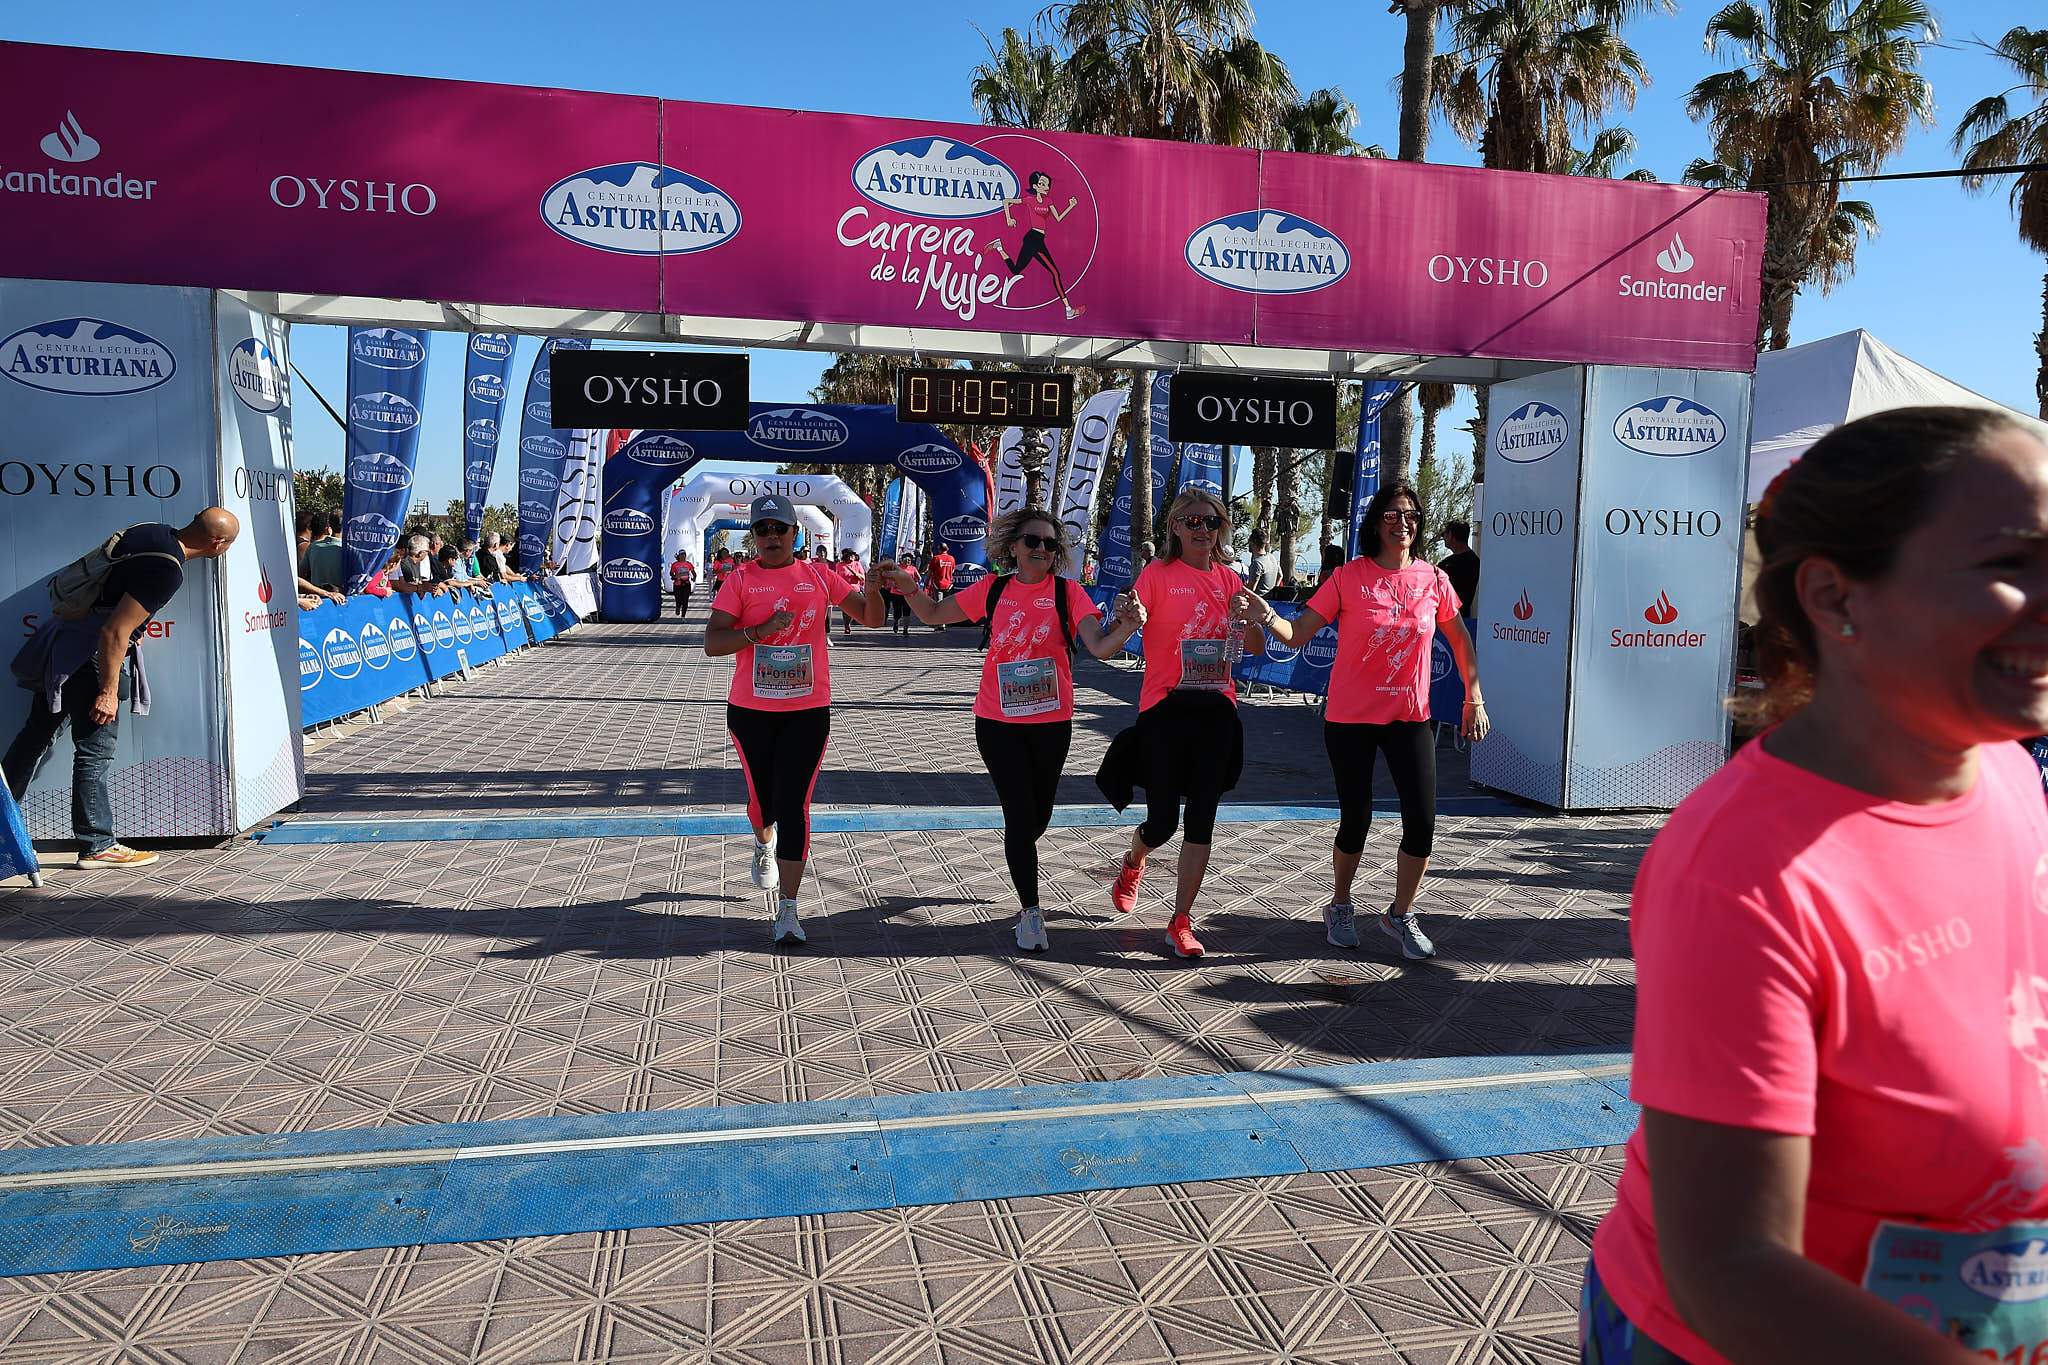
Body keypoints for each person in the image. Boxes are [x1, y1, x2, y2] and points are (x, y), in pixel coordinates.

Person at [1581, 407, 2048, 1365]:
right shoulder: (1739, 872)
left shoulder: (2006, 772)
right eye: (2014, 563)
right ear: (1836, 597)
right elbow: (1731, 1271)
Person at [890, 509, 1144, 951]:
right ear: (1014, 548)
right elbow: (932, 614)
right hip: (997, 721)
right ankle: (1031, 912)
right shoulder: (994, 589)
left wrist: (1127, 625)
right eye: (1033, 542)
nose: (1042, 550)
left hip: (1051, 722)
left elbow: (1100, 647)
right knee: (1018, 814)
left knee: (1037, 815)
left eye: (1050, 544)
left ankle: (1020, 861)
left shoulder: (1069, 593)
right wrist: (911, 588)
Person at [1253, 482, 1485, 959]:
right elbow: (1297, 634)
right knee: (1355, 819)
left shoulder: (1433, 580)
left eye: (1412, 516)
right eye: (1393, 515)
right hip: (1350, 719)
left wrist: (1473, 698)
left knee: (1422, 823)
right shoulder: (1347, 578)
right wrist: (1265, 615)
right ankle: (1340, 904)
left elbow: (1460, 640)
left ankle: (1400, 914)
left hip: (1409, 719)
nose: (1404, 524)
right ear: (1376, 522)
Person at [5, 509, 241, 869]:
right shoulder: (168, 570)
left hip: (65, 646)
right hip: (93, 658)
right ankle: (97, 843)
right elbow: (112, 633)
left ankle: (3, 829)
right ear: (217, 544)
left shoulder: (151, 531)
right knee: (94, 751)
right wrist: (108, 690)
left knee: (34, 737)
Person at [705, 494, 888, 945]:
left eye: (779, 529)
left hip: (807, 711)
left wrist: (877, 588)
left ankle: (788, 909)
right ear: (754, 535)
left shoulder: (818, 576)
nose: (771, 536)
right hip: (751, 711)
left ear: (795, 533)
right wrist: (757, 633)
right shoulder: (740, 579)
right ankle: (762, 842)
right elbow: (713, 642)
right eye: (762, 529)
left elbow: (872, 619)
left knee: (795, 806)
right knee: (761, 805)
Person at [1096, 489, 1262, 959]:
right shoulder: (1158, 574)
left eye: (1211, 523)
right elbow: (1131, 615)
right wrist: (1133, 615)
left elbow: (1251, 647)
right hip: (1165, 709)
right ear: (1174, 526)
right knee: (1164, 820)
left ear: (1220, 529)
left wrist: (1249, 619)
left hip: (1216, 709)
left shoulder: (1232, 580)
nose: (1202, 530)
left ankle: (1181, 919)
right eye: (1192, 521)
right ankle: (1134, 860)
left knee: (1202, 817)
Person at [988, 170, 1085, 320]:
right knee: (1055, 273)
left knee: (1016, 270)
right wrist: (1009, 218)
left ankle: (999, 246)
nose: (1046, 186)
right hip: (1033, 238)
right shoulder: (1030, 200)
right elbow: (1006, 201)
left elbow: (1058, 218)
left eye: (1047, 184)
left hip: (1038, 239)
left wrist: (1070, 206)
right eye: (1042, 184)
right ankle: (1068, 309)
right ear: (1035, 186)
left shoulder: (1049, 201)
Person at [1438, 520, 1479, 621]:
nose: (1443, 538)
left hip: (1455, 619)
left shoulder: (1470, 562)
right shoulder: (1475, 561)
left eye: (1444, 534)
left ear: (1451, 535)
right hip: (1455, 617)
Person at [301, 514, 345, 592]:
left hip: (317, 598)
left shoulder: (313, 546)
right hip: (343, 598)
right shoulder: (348, 550)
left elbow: (301, 572)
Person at [886, 556, 919, 636]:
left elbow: (918, 578)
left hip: (908, 594)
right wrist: (894, 583)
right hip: (896, 593)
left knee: (906, 612)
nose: (908, 561)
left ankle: (905, 629)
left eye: (909, 560)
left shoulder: (913, 569)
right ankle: (896, 622)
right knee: (897, 611)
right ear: (902, 560)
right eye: (906, 559)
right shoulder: (896, 568)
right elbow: (890, 578)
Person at [836, 549, 864, 635]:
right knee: (846, 610)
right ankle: (847, 625)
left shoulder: (857, 564)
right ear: (846, 556)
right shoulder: (840, 565)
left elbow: (863, 578)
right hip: (844, 591)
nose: (852, 557)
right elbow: (837, 578)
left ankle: (852, 619)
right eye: (850, 555)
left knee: (854, 609)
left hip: (855, 590)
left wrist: (855, 573)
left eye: (853, 555)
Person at [927, 545, 957, 627]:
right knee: (947, 604)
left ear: (939, 549)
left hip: (938, 584)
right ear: (947, 549)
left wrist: (927, 581)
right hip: (949, 584)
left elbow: (930, 571)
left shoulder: (936, 558)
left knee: (939, 604)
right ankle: (946, 622)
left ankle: (941, 624)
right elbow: (953, 570)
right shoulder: (952, 558)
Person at [1245, 531, 1282, 596]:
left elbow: (1251, 590)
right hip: (1270, 599)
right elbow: (1280, 575)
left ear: (1252, 542)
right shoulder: (1272, 557)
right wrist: (1273, 590)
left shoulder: (1257, 563)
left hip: (1259, 601)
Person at [670, 551, 696, 618]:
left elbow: (693, 572)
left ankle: (683, 616)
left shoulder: (688, 564)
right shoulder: (675, 564)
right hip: (677, 585)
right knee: (678, 599)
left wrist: (694, 578)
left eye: (684, 555)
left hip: (686, 584)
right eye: (681, 555)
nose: (683, 556)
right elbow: (671, 573)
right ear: (679, 556)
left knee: (685, 600)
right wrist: (674, 576)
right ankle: (678, 607)